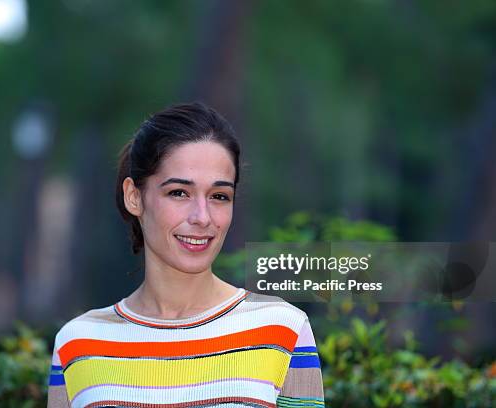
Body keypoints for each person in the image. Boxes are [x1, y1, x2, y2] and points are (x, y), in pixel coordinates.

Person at [47, 102, 325, 408]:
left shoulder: (283, 329)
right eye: (179, 192)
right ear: (134, 197)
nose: (202, 217)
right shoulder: (77, 343)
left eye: (219, 196)